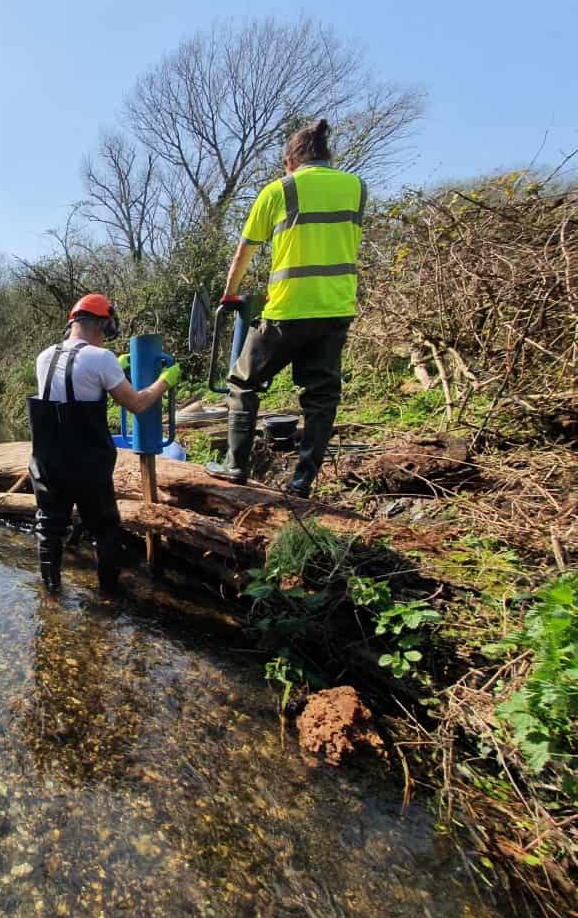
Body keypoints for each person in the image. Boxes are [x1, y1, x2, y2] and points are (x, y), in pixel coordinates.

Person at [206, 118, 367, 498]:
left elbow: (245, 250)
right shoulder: (358, 188)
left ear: (289, 161)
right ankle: (302, 482)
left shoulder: (280, 190)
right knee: (322, 396)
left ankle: (235, 465)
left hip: (288, 310)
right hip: (335, 309)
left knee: (243, 381)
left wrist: (230, 294)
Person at [27, 293, 180, 594]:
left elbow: (70, 381)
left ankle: (51, 593)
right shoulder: (102, 359)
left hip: (46, 462)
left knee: (49, 525)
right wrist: (165, 381)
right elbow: (136, 403)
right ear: (101, 325)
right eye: (107, 332)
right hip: (87, 464)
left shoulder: (43, 357)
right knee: (104, 530)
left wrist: (112, 367)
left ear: (73, 323)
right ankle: (109, 596)